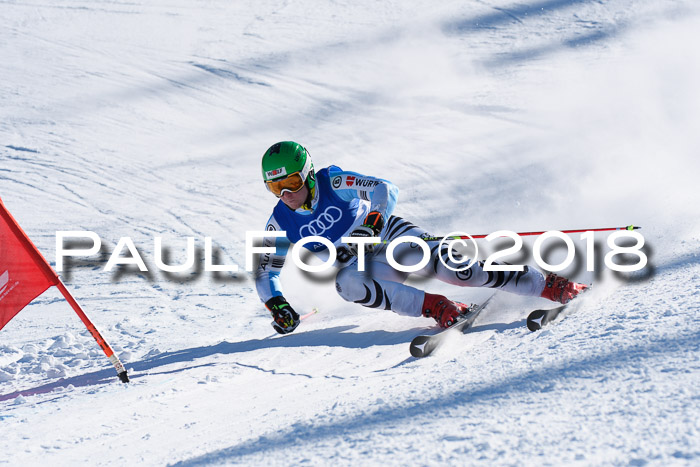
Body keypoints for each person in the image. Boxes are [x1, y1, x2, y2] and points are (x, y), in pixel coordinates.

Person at [255, 141, 587, 334]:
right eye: (275, 187)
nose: (285, 194)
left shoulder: (333, 181)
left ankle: (547, 284)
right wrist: (276, 304)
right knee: (347, 285)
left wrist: (373, 219)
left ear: (309, 175)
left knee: (459, 272)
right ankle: (438, 307)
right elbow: (264, 271)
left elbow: (385, 189)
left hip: (387, 236)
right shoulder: (280, 222)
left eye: (293, 182)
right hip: (362, 265)